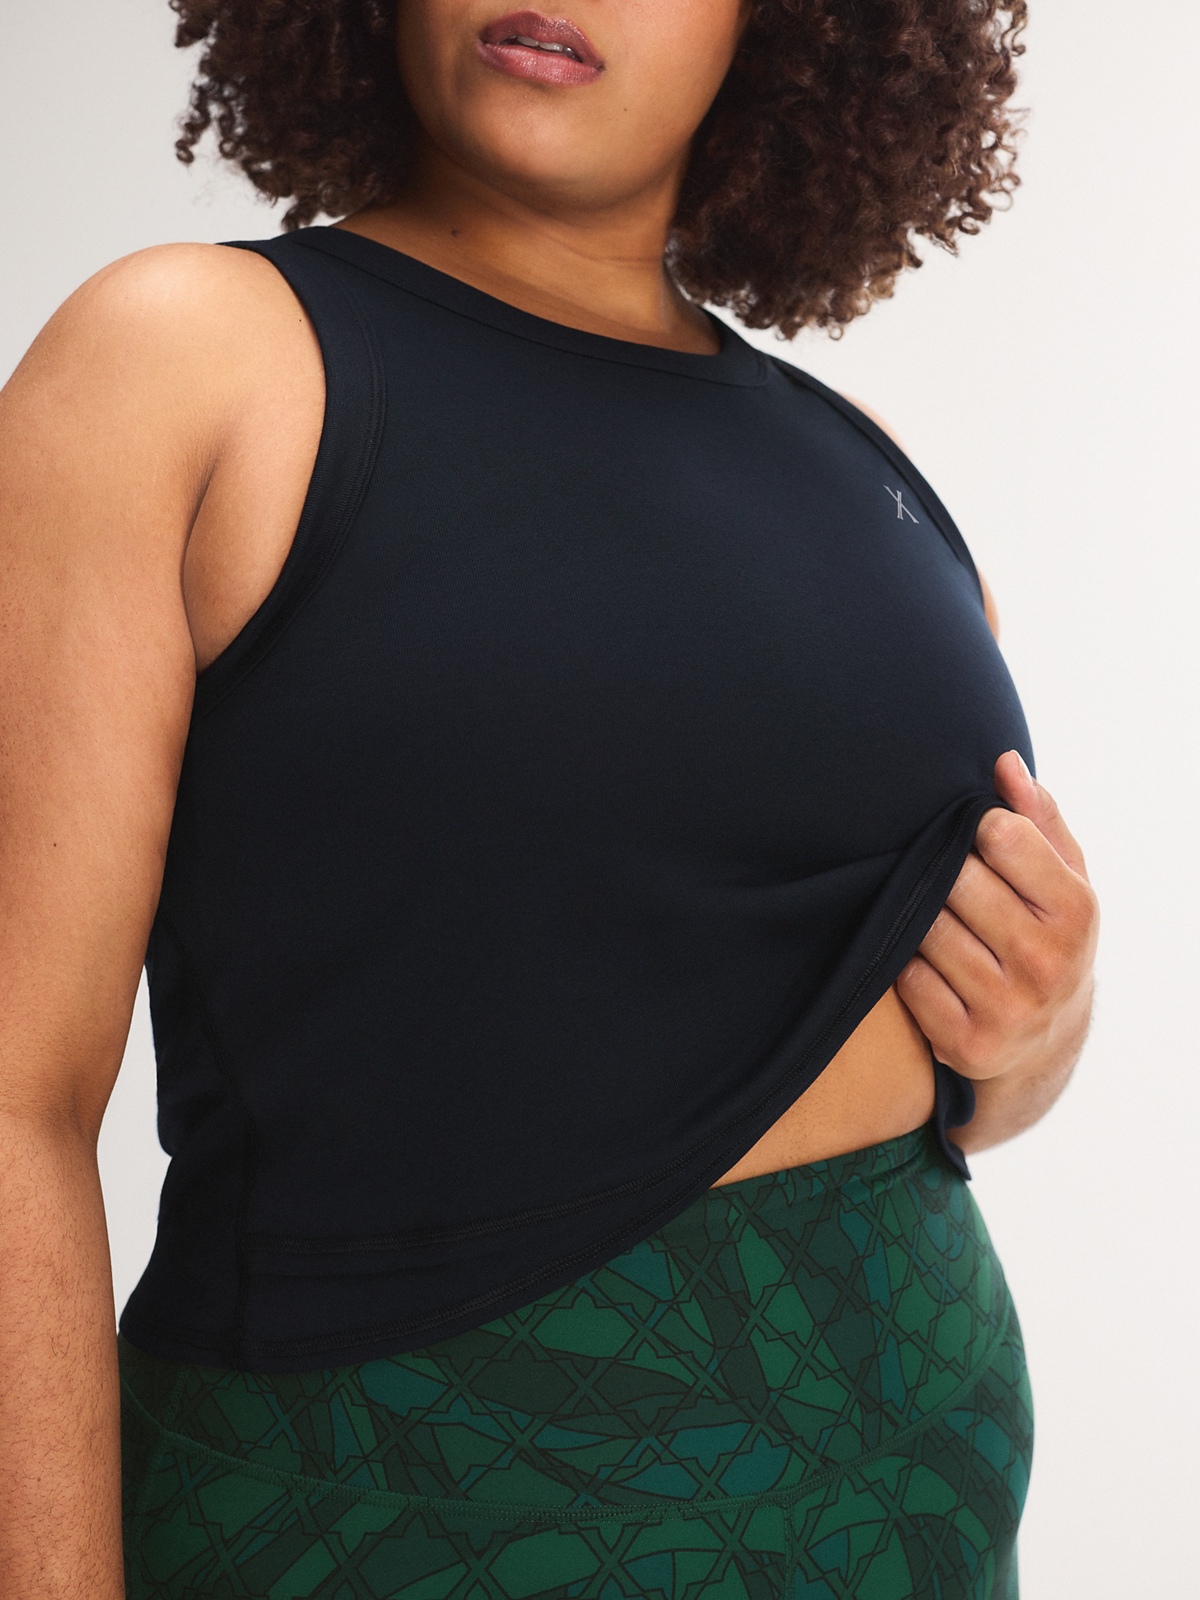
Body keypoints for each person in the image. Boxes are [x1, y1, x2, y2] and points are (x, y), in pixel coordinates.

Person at [0, 0, 1097, 1595]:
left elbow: (859, 1028)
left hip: (913, 1531)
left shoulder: (859, 463)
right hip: (397, 1517)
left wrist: (1038, 1045)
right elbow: (14, 1098)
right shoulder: (192, 357)